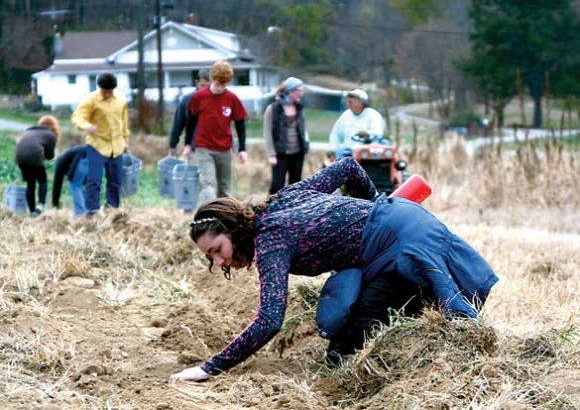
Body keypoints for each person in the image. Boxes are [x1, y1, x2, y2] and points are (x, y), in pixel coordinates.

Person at [168, 157, 498, 383]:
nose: (219, 262)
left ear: (233, 230)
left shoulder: (270, 240)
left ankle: (458, 359)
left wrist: (210, 368)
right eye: (210, 258)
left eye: (217, 251)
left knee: (346, 346)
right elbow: (348, 168)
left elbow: (269, 320)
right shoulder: (284, 198)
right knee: (345, 314)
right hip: (404, 216)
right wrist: (374, 206)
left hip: (399, 242)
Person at [182, 60, 248, 203]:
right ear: (212, 79)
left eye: (224, 85)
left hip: (224, 148)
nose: (220, 88)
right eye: (218, 83)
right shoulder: (199, 97)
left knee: (225, 188)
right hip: (204, 148)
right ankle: (207, 217)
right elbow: (190, 121)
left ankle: (224, 219)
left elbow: (240, 124)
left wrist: (242, 149)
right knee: (208, 185)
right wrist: (187, 144)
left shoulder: (232, 99)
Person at [71, 72, 129, 215]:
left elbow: (124, 121)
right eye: (104, 91)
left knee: (115, 181)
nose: (107, 94)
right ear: (99, 87)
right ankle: (92, 211)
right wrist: (86, 126)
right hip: (97, 145)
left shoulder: (120, 99)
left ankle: (112, 210)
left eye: (110, 91)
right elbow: (77, 116)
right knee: (94, 181)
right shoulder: (91, 100)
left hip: (117, 146)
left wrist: (125, 140)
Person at [263, 77, 309, 194]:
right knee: (277, 185)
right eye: (299, 90)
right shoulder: (273, 108)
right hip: (280, 154)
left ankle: (292, 210)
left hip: (298, 153)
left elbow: (303, 128)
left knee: (295, 185)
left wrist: (306, 144)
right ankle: (271, 209)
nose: (301, 93)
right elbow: (267, 132)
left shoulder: (299, 108)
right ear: (291, 91)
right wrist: (271, 154)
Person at [15, 115, 61, 216]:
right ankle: (40, 205)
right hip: (35, 156)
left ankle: (32, 211)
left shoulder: (29, 131)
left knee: (30, 183)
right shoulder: (50, 135)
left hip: (19, 157)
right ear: (53, 126)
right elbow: (50, 156)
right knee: (42, 180)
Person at [328, 89, 387, 159]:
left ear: (361, 102)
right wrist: (333, 148)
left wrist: (367, 134)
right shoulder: (345, 116)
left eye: (351, 101)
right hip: (349, 151)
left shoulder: (373, 115)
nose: (348, 103)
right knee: (340, 151)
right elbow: (335, 133)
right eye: (348, 101)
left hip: (368, 152)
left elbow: (378, 133)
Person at [168, 69, 211, 159]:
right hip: (195, 148)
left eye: (208, 86)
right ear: (197, 82)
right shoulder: (187, 100)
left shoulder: (218, 101)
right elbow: (178, 124)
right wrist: (172, 144)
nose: (205, 89)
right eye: (203, 85)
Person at [52, 144, 89, 217]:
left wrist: (55, 204)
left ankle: (80, 214)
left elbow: (57, 185)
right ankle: (88, 210)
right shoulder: (69, 157)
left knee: (74, 186)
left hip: (83, 157)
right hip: (93, 157)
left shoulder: (60, 163)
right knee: (88, 186)